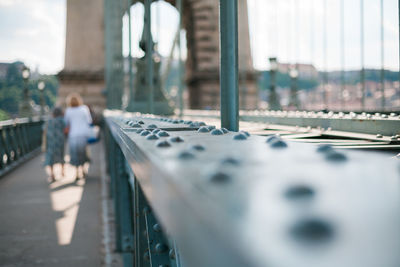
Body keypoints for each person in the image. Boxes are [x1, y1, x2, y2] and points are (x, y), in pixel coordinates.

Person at [64, 93, 92, 181]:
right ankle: (83, 170)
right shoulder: (84, 108)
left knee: (75, 154)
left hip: (73, 135)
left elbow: (66, 123)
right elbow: (89, 121)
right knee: (83, 153)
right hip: (83, 134)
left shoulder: (68, 110)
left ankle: (76, 173)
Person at [44, 107, 65, 182]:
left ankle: (52, 175)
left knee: (50, 158)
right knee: (61, 155)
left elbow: (44, 129)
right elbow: (65, 128)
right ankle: (62, 171)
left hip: (51, 141)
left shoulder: (49, 121)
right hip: (60, 141)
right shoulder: (62, 120)